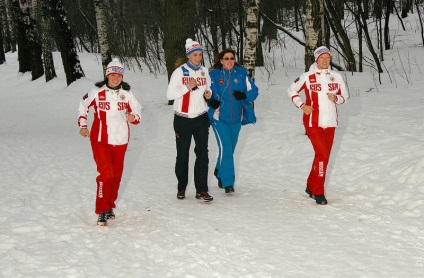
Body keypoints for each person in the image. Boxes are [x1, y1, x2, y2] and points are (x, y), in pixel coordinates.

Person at [78, 58, 142, 226]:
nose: (115, 78)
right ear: (107, 75)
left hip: (121, 140)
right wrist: (83, 125)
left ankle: (110, 205)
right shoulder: (97, 91)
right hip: (100, 139)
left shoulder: (127, 93)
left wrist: (132, 117)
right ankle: (101, 210)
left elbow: (137, 112)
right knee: (106, 174)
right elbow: (82, 106)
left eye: (118, 75)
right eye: (112, 75)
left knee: (117, 175)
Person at [287, 46, 349, 205]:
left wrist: (335, 98)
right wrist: (302, 105)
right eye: (322, 58)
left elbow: (345, 97)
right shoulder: (307, 76)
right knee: (323, 155)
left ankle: (310, 185)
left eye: (327, 58)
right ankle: (318, 192)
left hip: (330, 122)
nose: (325, 60)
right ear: (316, 59)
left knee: (323, 155)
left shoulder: (336, 76)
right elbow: (291, 90)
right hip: (312, 121)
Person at [166, 38, 213, 202]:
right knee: (182, 154)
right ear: (188, 55)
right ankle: (182, 186)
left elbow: (209, 89)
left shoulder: (204, 71)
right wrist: (187, 87)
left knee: (202, 153)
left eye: (200, 55)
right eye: (195, 55)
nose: (198, 58)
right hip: (182, 119)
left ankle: (202, 190)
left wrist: (209, 94)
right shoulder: (179, 72)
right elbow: (170, 95)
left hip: (201, 118)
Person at [208, 48, 259, 194]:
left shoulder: (241, 74)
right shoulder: (214, 75)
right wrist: (211, 101)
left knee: (229, 149)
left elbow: (254, 90)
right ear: (221, 60)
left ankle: (219, 170)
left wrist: (244, 95)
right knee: (226, 148)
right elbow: (207, 93)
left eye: (232, 58)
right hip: (219, 118)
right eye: (226, 58)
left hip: (236, 118)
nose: (229, 61)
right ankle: (228, 182)